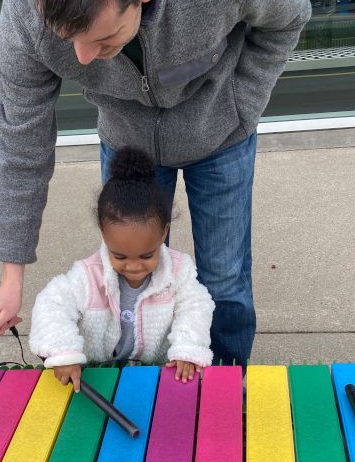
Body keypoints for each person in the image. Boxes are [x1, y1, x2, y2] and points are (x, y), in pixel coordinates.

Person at [0, 0, 312, 366]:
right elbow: (21, 142)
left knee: (224, 282)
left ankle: (226, 384)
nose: (84, 59)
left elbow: (290, 13)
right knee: (131, 279)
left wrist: (242, 102)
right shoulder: (26, 10)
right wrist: (12, 279)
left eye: (104, 38)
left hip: (219, 132)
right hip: (128, 143)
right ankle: (152, 388)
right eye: (66, 39)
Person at [28, 148, 215, 390]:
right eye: (120, 256)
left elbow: (197, 306)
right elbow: (51, 304)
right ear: (104, 236)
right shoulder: (87, 275)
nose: (134, 266)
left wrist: (187, 349)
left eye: (147, 255)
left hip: (157, 377)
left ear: (164, 233)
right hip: (98, 377)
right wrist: (63, 352)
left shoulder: (179, 271)